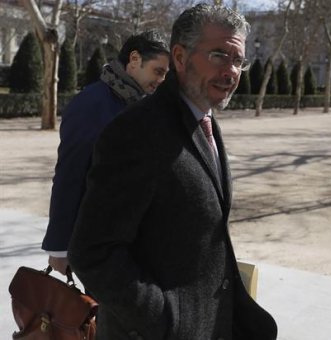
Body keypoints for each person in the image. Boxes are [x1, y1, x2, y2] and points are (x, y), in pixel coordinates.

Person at [68, 4, 277, 339]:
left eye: (238, 60)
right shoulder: (137, 131)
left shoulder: (204, 121)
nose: (232, 71)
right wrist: (166, 319)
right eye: (219, 55)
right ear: (179, 57)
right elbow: (92, 252)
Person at [42, 30, 170, 275]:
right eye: (159, 71)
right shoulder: (92, 104)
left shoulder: (142, 104)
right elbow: (70, 175)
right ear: (134, 59)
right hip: (102, 244)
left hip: (138, 242)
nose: (162, 80)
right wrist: (59, 247)